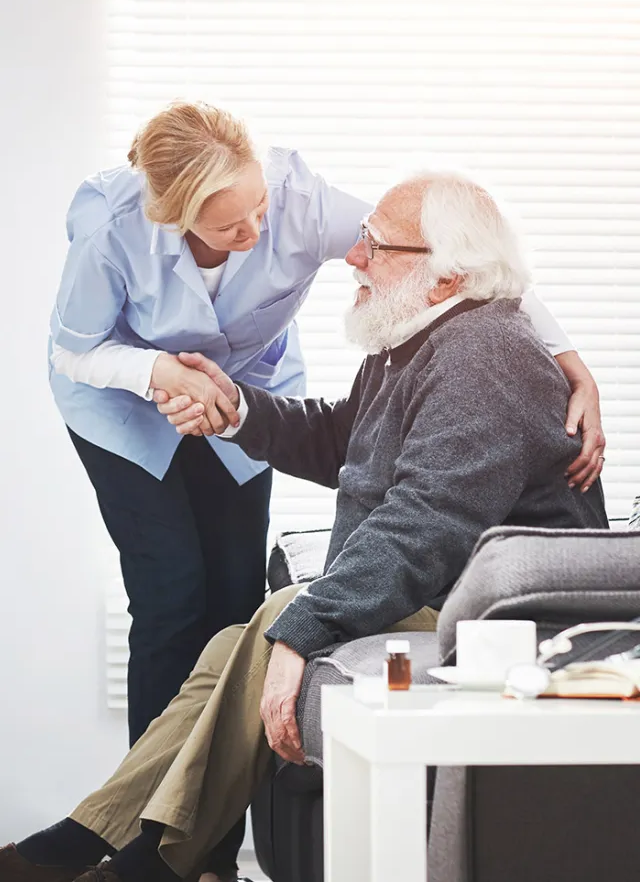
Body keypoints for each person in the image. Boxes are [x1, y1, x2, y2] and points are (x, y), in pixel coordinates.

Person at [9, 168, 608, 882]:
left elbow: (423, 525)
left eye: (376, 247)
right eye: (362, 238)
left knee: (280, 617)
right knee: (233, 642)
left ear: (448, 278)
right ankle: (110, 840)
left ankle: (134, 861)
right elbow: (342, 442)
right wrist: (237, 407)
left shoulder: (485, 355)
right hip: (444, 594)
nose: (353, 257)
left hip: (488, 618)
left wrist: (305, 630)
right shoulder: (420, 339)